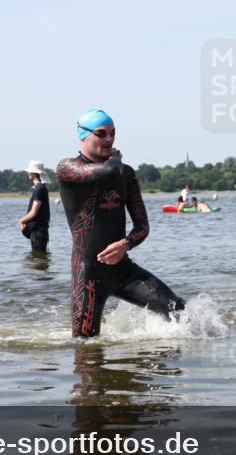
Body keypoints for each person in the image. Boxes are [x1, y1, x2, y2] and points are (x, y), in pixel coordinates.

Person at [57, 108, 185, 337]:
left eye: (112, 133)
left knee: (178, 312)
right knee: (86, 348)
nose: (109, 139)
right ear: (83, 135)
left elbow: (143, 226)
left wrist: (125, 244)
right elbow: (108, 172)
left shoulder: (126, 174)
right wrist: (115, 159)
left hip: (123, 270)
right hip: (88, 277)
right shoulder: (67, 169)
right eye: (101, 133)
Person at [19, 160, 50, 253]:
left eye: (29, 171)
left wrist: (21, 221)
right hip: (38, 231)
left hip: (38, 232)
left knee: (38, 257)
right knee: (38, 258)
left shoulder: (39, 189)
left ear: (34, 173)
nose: (28, 173)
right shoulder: (39, 188)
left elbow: (33, 213)